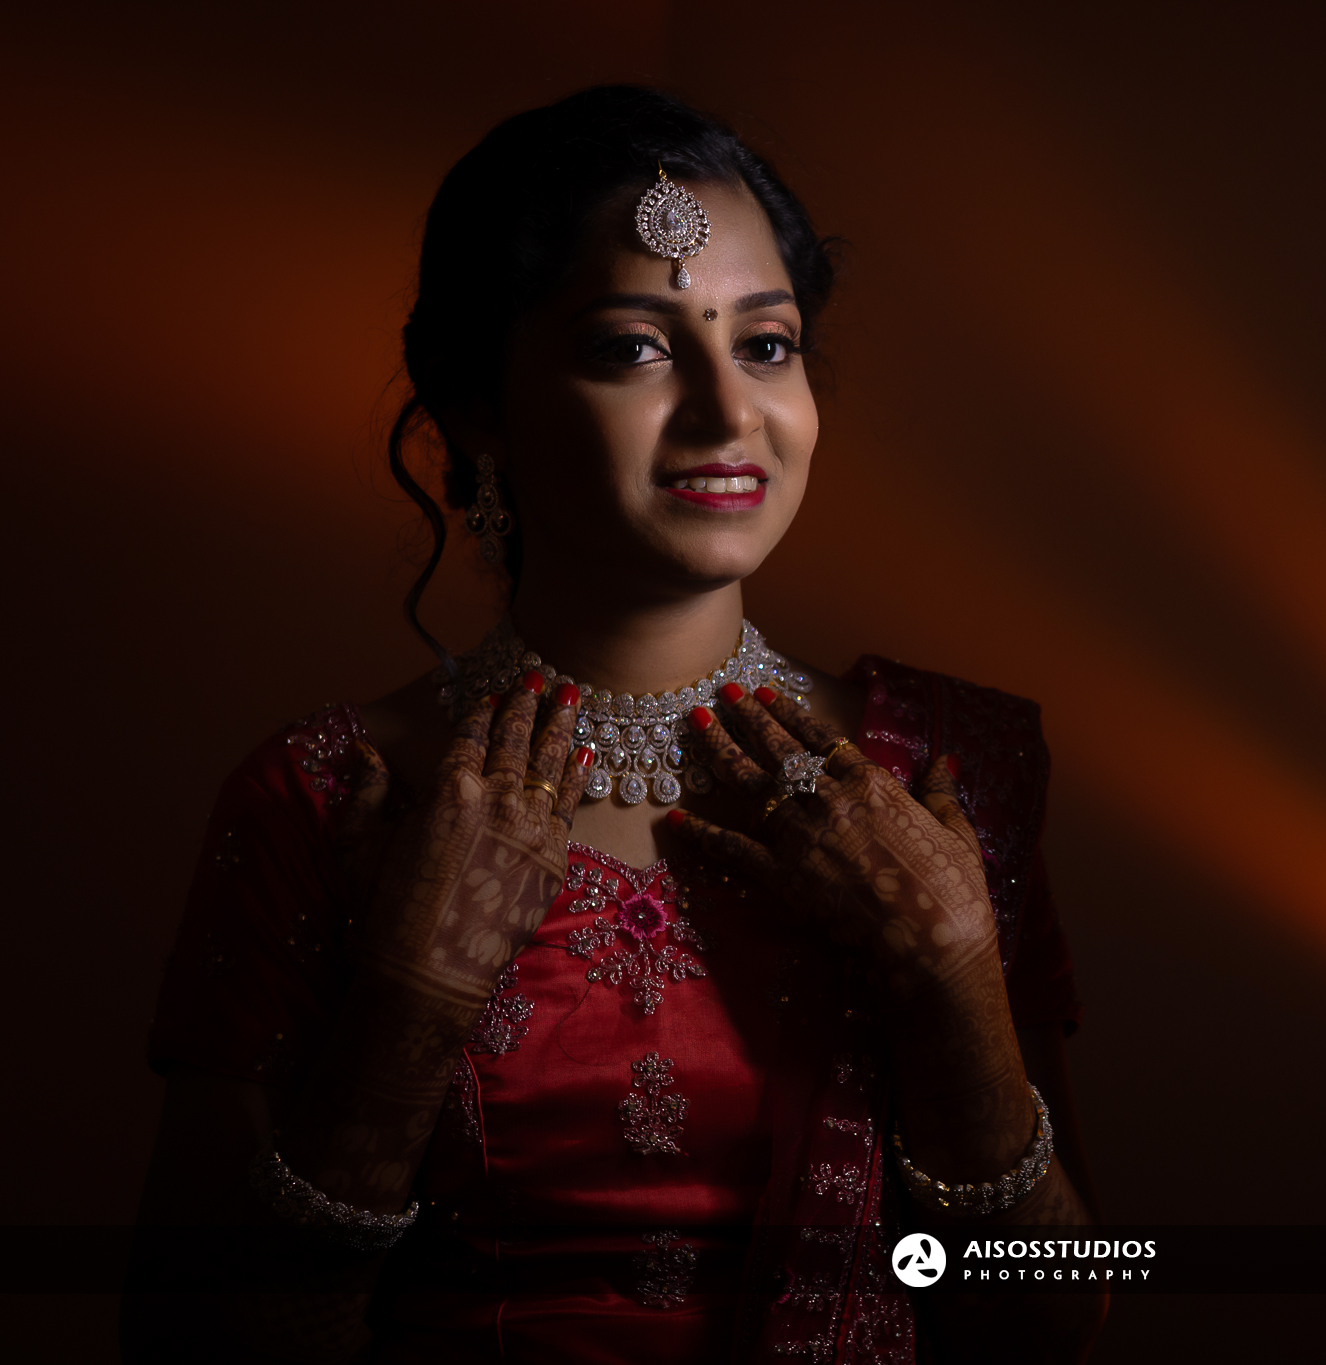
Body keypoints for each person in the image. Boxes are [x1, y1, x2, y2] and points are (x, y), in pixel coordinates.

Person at [124, 84, 1104, 1364]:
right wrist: (408, 1007)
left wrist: (955, 986)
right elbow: (190, 1341)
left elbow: (1065, 1311)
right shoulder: (327, 795)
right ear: (475, 400)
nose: (727, 413)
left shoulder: (943, 771)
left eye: (765, 344)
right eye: (633, 348)